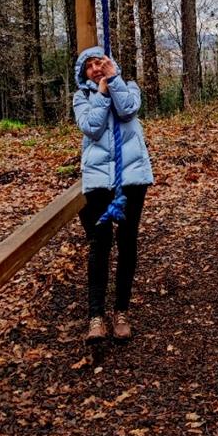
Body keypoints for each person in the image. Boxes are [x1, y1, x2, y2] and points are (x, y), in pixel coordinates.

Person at [73, 46, 153, 343]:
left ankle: (121, 311)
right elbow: (91, 128)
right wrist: (101, 94)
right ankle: (96, 316)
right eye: (89, 66)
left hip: (131, 178)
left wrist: (114, 82)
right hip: (98, 183)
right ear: (84, 75)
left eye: (99, 63)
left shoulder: (129, 87)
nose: (96, 68)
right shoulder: (82, 98)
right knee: (100, 244)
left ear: (109, 65)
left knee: (127, 241)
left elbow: (128, 109)